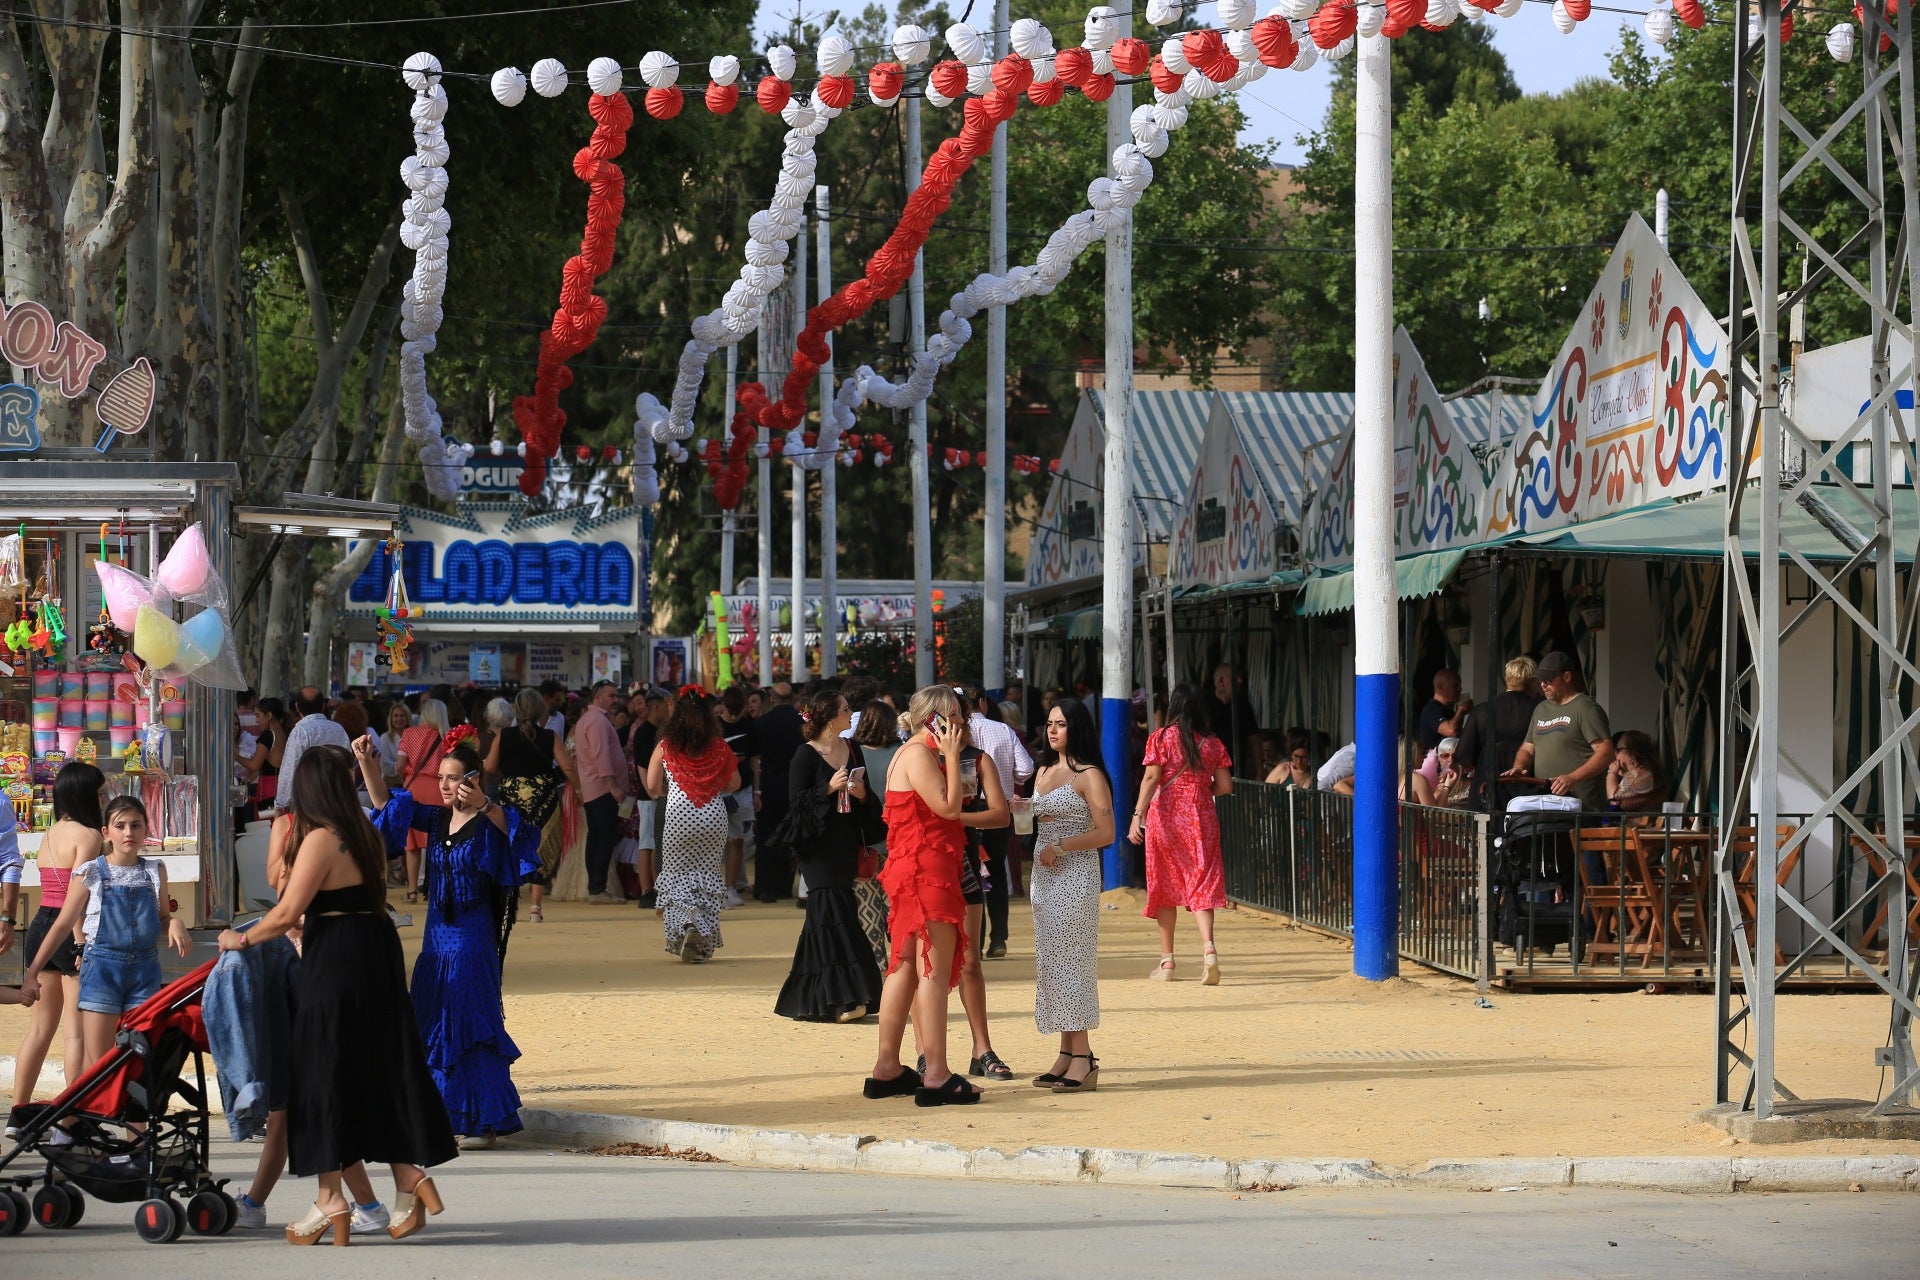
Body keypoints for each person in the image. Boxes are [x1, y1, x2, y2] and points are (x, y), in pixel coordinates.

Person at [215, 749, 456, 1246]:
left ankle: (333, 1199)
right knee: (374, 1066)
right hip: (376, 949)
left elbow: (285, 913)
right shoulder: (365, 831)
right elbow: (343, 901)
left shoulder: (323, 838)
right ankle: (405, 1176)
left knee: (321, 1067)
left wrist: (237, 939)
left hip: (339, 959)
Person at [407, 738, 538, 1150]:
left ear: (473, 780)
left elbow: (522, 837)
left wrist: (484, 804)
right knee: (434, 1022)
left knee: (469, 1024)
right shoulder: (435, 820)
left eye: (453, 778)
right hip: (436, 941)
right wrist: (367, 764)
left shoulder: (490, 820)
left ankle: (483, 1121)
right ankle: (444, 1115)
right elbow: (387, 808)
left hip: (471, 938)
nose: (445, 786)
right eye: (441, 778)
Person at [865, 686, 980, 1107]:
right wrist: (951, 757)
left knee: (906, 965)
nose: (962, 725)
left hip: (911, 868)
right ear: (935, 719)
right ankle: (936, 1073)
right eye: (955, 718)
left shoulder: (908, 753)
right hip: (926, 870)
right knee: (930, 967)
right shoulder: (919, 754)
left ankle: (887, 1067)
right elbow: (950, 809)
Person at [23, 797, 191, 1069]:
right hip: (101, 970)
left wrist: (174, 922)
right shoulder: (91, 872)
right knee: (98, 1066)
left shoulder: (154, 870)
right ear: (106, 832)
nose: (128, 833)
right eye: (120, 826)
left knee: (139, 1064)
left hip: (144, 974)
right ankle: (85, 1113)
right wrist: (32, 973)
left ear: (146, 829)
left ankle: (130, 1113)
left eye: (135, 825)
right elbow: (63, 924)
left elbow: (161, 918)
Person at [773, 690, 882, 1023]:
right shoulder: (805, 755)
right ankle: (846, 997)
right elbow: (795, 806)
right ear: (829, 716)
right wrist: (827, 789)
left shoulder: (852, 748)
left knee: (825, 916)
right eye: (846, 709)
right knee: (835, 909)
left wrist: (862, 793)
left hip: (845, 842)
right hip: (816, 848)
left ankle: (818, 999)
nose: (852, 713)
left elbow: (870, 800)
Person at [1028, 697, 1114, 1093]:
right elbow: (1038, 813)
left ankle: (1083, 1056)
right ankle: (1067, 1052)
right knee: (1051, 960)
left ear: (1076, 727)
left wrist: (1061, 846)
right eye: (1049, 723)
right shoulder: (1043, 770)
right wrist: (1022, 807)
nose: (1052, 730)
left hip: (1074, 875)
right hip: (1043, 876)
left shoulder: (1089, 774)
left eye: (1061, 724)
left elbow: (1106, 833)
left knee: (1071, 961)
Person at [9, 763, 103, 1126]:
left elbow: (56, 892)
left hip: (40, 926)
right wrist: (80, 942)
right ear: (83, 794)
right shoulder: (90, 836)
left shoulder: (50, 834)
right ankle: (71, 1117)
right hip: (70, 930)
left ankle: (17, 1113)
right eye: (97, 792)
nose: (102, 798)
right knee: (74, 1030)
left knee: (38, 1029)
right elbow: (76, 897)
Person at [1129, 684, 1233, 984]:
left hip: (1166, 818)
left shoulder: (1161, 738)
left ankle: (1167, 962)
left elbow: (1151, 777)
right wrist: (1199, 791)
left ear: (1173, 705)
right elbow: (1225, 786)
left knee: (1163, 883)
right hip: (1202, 817)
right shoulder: (1213, 743)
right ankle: (1209, 949)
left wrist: (1138, 815)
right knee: (1202, 882)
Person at [645, 690, 740, 962]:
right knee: (706, 877)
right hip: (713, 815)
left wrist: (670, 790)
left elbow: (652, 786)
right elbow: (733, 784)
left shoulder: (666, 745)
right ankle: (701, 943)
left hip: (679, 814)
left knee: (675, 877)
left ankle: (688, 925)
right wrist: (711, 785)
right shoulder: (719, 745)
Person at [489, 687, 577, 924]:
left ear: (516, 710)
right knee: (539, 848)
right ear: (540, 711)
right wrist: (578, 788)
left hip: (512, 798)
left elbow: (489, 767)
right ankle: (535, 908)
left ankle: (510, 904)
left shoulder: (504, 736)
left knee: (512, 847)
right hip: (543, 797)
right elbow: (567, 767)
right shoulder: (550, 736)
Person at [962, 686, 1033, 960]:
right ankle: (999, 938)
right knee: (996, 871)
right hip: (999, 810)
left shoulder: (953, 735)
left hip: (967, 810)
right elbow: (1026, 769)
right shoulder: (1003, 730)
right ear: (982, 702)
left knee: (970, 873)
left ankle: (974, 943)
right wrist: (1007, 776)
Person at [1502, 650, 1614, 809]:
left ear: (1567, 677)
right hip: (1546, 801)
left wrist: (1572, 778)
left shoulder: (1586, 708)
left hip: (1581, 805)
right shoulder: (1541, 709)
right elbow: (1527, 749)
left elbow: (1606, 752)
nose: (1542, 684)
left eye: (1548, 679)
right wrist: (1520, 767)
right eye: (1540, 680)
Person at [850, 701, 905, 968]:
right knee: (896, 902)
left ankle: (876, 965)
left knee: (867, 904)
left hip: (864, 839)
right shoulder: (902, 752)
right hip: (899, 837)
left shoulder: (852, 753)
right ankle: (901, 961)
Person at [1458, 656, 1540, 810]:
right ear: (1532, 681)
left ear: (1508, 678)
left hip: (1487, 784)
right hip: (1526, 785)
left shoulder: (1483, 710)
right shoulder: (1539, 710)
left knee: (1486, 832)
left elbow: (1463, 755)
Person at [574, 680, 629, 903]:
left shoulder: (592, 719)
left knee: (597, 837)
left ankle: (596, 887)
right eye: (611, 696)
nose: (615, 700)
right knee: (603, 837)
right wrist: (613, 786)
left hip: (595, 788)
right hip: (602, 789)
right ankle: (597, 888)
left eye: (616, 696)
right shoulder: (597, 721)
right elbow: (601, 757)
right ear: (597, 697)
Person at [752, 680, 807, 901]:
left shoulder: (762, 723)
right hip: (795, 784)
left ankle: (765, 887)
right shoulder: (800, 723)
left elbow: (756, 757)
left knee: (766, 835)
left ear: (772, 699)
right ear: (792, 699)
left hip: (768, 783)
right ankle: (785, 886)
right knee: (791, 835)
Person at [397, 697, 454, 903]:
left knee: (411, 846)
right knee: (437, 843)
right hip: (439, 789)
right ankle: (435, 890)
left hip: (413, 788)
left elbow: (399, 766)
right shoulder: (448, 737)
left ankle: (412, 891)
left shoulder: (409, 734)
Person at [716, 686, 762, 906]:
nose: (734, 717)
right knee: (714, 841)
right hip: (716, 792)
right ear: (723, 706)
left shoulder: (748, 726)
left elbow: (754, 761)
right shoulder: (714, 727)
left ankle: (731, 887)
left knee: (737, 841)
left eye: (738, 712)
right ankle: (714, 887)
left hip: (743, 791)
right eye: (731, 712)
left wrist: (756, 791)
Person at [626, 688, 671, 909]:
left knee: (658, 843)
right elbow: (642, 766)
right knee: (647, 842)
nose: (668, 709)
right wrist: (653, 791)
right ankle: (646, 889)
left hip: (661, 792)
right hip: (649, 795)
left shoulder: (662, 731)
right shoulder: (644, 732)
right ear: (656, 707)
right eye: (665, 705)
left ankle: (658, 886)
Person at [279, 688, 350, 797]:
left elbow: (290, 769)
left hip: (310, 798)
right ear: (322, 706)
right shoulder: (338, 729)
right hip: (338, 796)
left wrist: (281, 803)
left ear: (297, 707)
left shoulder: (300, 731)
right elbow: (348, 764)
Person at [1201, 662, 1258, 777]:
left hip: (1237, 771)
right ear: (1221, 681)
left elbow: (1254, 739)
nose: (1240, 681)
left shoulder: (1243, 706)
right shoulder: (1203, 705)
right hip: (1209, 771)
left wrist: (1259, 771)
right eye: (1234, 677)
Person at [1606, 730, 1669, 814]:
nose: (1615, 754)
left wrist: (1611, 773)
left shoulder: (1641, 774)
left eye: (1618, 749)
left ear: (1632, 753)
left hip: (1643, 826)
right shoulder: (1643, 771)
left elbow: (1615, 803)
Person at [244, 696, 290, 811]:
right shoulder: (284, 733)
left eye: (258, 716)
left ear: (269, 715)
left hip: (268, 792)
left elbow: (254, 765)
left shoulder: (268, 735)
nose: (256, 721)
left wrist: (233, 755)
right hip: (282, 790)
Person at [1416, 668, 1469, 754]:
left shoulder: (1447, 709)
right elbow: (1452, 731)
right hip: (1437, 764)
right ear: (1440, 687)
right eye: (1455, 685)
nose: (1460, 689)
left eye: (1459, 685)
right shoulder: (1432, 710)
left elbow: (1458, 731)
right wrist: (1461, 711)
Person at [377, 701, 411, 787]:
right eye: (395, 716)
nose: (399, 719)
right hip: (392, 784)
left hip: (411, 784)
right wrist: (406, 766)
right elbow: (385, 766)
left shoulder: (414, 737)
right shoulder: (385, 738)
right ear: (391, 719)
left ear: (408, 718)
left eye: (402, 715)